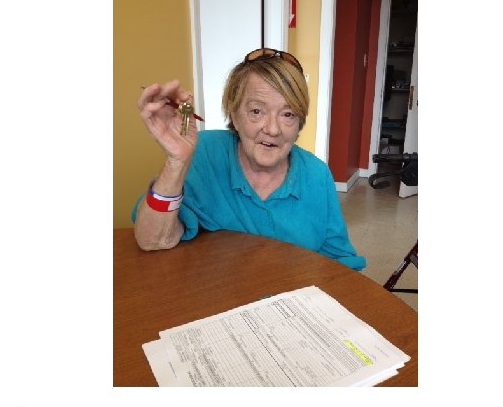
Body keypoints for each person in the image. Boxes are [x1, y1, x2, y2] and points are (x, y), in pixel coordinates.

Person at [132, 48, 366, 271]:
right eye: (257, 111)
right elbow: (152, 240)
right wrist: (177, 161)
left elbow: (340, 262)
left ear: (299, 123)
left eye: (288, 114)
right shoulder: (204, 154)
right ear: (234, 114)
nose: (272, 129)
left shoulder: (316, 174)